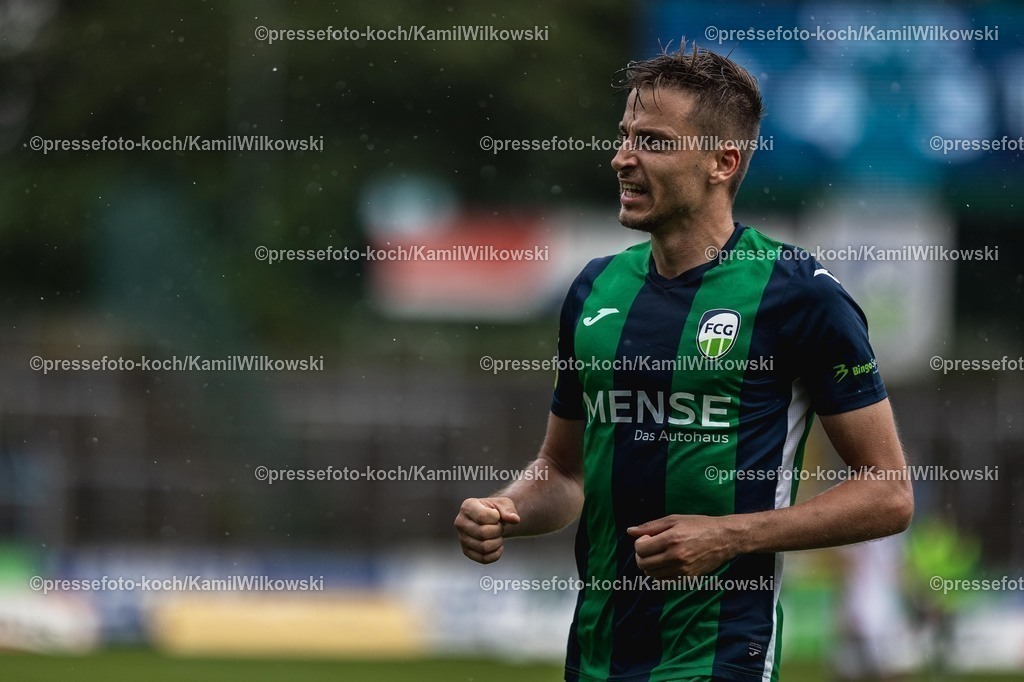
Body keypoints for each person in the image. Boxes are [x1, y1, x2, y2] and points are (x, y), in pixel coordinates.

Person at [455, 40, 913, 682]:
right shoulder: (594, 291)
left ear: (722, 161)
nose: (621, 158)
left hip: (721, 653)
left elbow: (888, 493)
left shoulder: (799, 295)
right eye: (622, 136)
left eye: (652, 141)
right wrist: (507, 507)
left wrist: (732, 536)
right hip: (597, 653)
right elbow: (561, 473)